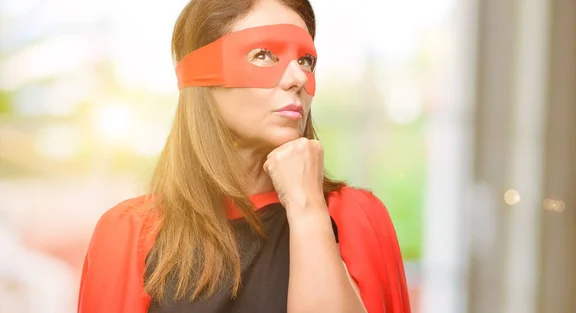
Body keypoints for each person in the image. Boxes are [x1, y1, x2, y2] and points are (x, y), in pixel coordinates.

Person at [77, 0, 412, 312]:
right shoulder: (130, 233)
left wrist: (308, 210)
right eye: (264, 55)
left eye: (306, 60)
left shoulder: (356, 217)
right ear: (202, 75)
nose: (297, 78)